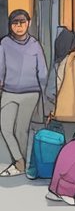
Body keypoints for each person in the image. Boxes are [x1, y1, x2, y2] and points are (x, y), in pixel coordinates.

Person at [0, 9, 48, 176]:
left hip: (30, 93)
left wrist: (44, 95)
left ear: (28, 23)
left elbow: (42, 71)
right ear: (11, 25)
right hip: (9, 91)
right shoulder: (5, 43)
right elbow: (0, 67)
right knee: (5, 127)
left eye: (22, 22)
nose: (19, 26)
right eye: (15, 23)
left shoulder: (35, 44)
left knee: (22, 130)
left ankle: (19, 165)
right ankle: (19, 161)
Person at [45, 26, 75, 142]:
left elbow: (53, 90)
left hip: (65, 113)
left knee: (67, 146)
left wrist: (53, 111)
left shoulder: (64, 62)